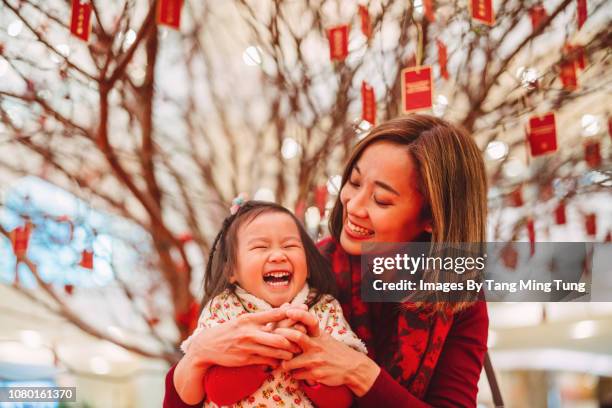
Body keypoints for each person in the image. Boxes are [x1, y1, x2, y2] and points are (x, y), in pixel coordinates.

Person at [165, 114, 489, 407]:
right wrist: (198, 356)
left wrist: (359, 373)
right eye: (355, 182)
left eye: (381, 199)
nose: (353, 204)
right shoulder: (305, 270)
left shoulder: (458, 299)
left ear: (432, 218)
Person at [175, 200, 367, 407]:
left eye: (289, 245)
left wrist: (308, 364)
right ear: (232, 271)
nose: (278, 255)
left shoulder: (324, 308)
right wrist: (269, 352)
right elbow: (218, 393)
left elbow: (341, 402)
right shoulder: (223, 308)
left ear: (308, 264)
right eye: (260, 247)